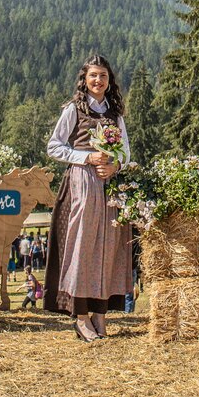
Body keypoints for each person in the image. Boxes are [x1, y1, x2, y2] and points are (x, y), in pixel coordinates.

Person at [43, 54, 133, 342]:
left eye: (103, 76)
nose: (98, 80)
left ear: (109, 81)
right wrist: (86, 157)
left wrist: (115, 165)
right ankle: (80, 316)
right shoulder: (74, 109)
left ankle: (100, 314)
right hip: (82, 183)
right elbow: (54, 147)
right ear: (85, 79)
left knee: (108, 248)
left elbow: (127, 153)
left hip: (108, 184)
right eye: (93, 75)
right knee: (82, 246)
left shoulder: (115, 114)